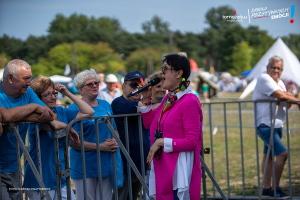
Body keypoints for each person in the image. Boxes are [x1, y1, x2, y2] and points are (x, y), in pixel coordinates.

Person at [138, 54, 203, 200]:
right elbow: (150, 124)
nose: (161, 73)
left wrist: (161, 142)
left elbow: (192, 142)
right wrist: (147, 99)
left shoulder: (189, 100)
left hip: (178, 170)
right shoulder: (170, 98)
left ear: (179, 73)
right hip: (164, 166)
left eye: (165, 69)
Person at [23, 76, 94, 200]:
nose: (53, 97)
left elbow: (89, 112)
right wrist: (68, 127)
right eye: (48, 94)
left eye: (54, 93)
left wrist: (67, 93)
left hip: (61, 178)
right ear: (38, 98)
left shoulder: (61, 111)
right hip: (40, 180)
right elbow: (53, 125)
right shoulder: (35, 116)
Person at [0, 59, 54, 200]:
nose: (30, 83)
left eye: (30, 78)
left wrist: (15, 115)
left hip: (16, 165)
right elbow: (5, 116)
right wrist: (33, 107)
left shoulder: (28, 93)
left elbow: (49, 115)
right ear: (10, 78)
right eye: (26, 78)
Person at [69, 69, 122, 200]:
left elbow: (114, 129)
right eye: (90, 84)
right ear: (80, 89)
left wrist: (115, 141)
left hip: (106, 162)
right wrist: (100, 147)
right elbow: (71, 141)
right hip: (84, 165)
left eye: (96, 83)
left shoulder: (105, 104)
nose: (95, 85)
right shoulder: (73, 108)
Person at [253, 55, 300, 197]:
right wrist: (294, 99)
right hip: (266, 126)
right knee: (282, 154)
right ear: (267, 67)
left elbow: (287, 102)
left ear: (282, 70)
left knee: (268, 157)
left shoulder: (279, 82)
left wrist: (290, 97)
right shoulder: (264, 78)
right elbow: (280, 96)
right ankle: (275, 189)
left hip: (276, 126)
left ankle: (266, 189)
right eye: (273, 67)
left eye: (279, 68)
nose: (276, 70)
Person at [111, 71, 160, 200]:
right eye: (134, 85)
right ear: (123, 86)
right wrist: (169, 105)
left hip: (141, 162)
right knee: (120, 197)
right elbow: (144, 108)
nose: (137, 89)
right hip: (125, 163)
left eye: (140, 85)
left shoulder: (145, 104)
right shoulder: (118, 103)